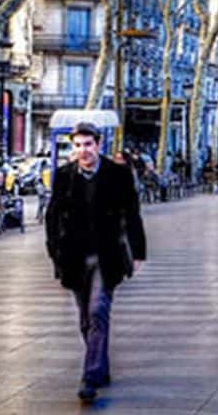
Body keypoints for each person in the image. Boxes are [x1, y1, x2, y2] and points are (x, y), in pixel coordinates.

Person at [45, 122, 146, 403]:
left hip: (107, 255)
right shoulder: (64, 175)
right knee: (85, 318)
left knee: (98, 310)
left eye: (88, 144)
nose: (82, 150)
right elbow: (53, 216)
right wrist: (53, 250)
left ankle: (89, 376)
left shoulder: (118, 174)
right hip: (74, 255)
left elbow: (132, 214)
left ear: (98, 145)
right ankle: (100, 365)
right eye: (77, 145)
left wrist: (138, 252)